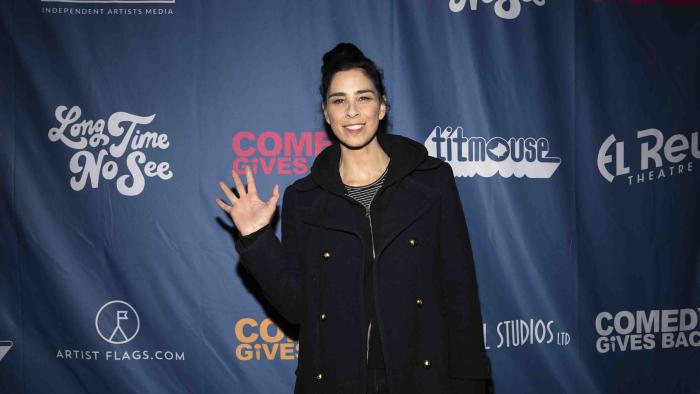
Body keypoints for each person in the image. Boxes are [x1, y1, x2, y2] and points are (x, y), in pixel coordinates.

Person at [216, 43, 491, 394]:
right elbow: (298, 307)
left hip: (420, 376)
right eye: (339, 100)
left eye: (363, 97)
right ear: (326, 114)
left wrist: (470, 381)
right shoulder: (304, 198)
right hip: (336, 379)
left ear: (382, 105)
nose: (352, 111)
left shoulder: (431, 180)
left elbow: (459, 288)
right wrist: (257, 237)